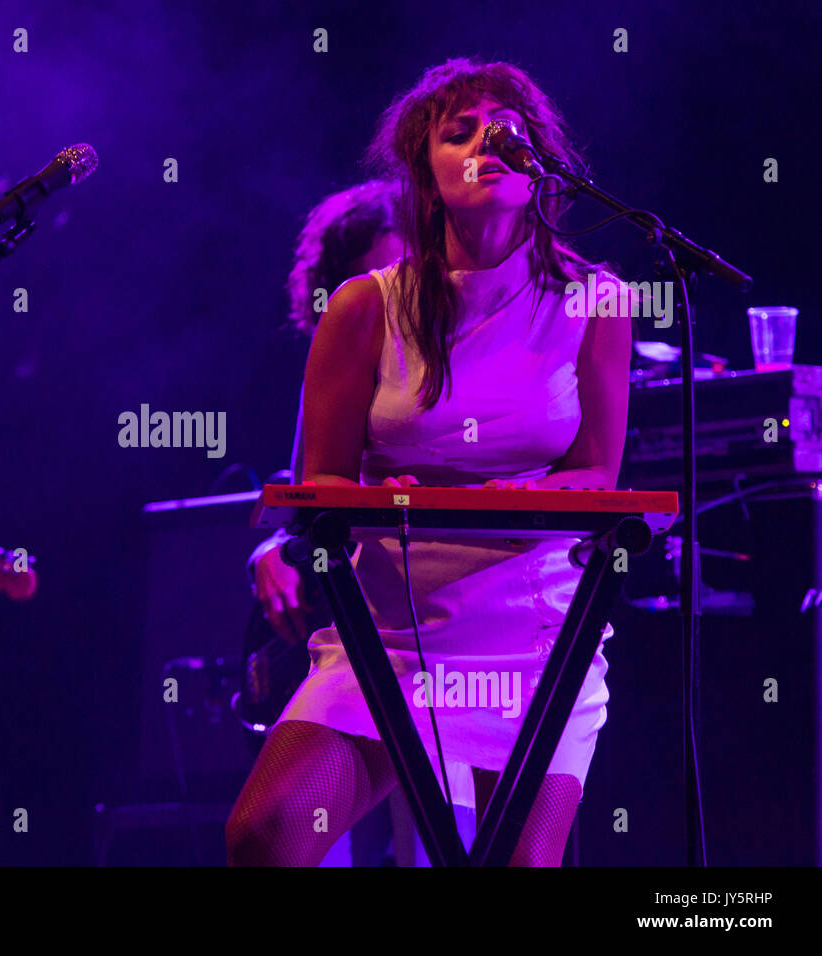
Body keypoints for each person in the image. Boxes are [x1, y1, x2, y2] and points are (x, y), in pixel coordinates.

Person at [226, 58, 634, 867]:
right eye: (461, 132)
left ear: (540, 162)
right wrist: (377, 495)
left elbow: (599, 475)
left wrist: (509, 494)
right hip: (392, 635)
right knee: (267, 834)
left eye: (508, 130)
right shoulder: (365, 305)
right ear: (426, 174)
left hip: (533, 633)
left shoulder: (598, 300)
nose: (490, 141)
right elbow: (324, 482)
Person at [245, 180, 477, 866]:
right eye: (371, 275)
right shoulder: (340, 358)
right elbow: (304, 495)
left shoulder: (467, 356)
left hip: (446, 629)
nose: (388, 291)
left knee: (437, 841)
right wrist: (271, 547)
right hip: (356, 630)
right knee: (293, 835)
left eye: (402, 270)